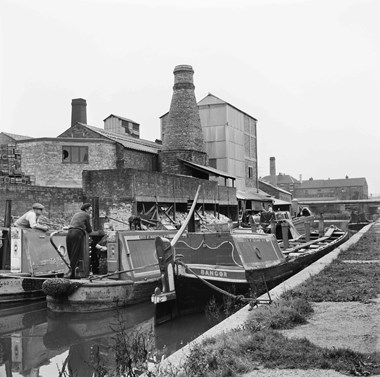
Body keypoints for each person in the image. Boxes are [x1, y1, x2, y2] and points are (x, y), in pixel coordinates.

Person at [66, 203, 93, 279]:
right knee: (76, 253)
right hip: (77, 233)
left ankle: (72, 272)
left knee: (71, 253)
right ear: (86, 209)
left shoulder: (76, 214)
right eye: (90, 210)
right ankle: (73, 274)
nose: (91, 212)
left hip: (69, 232)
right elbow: (89, 229)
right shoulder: (86, 215)